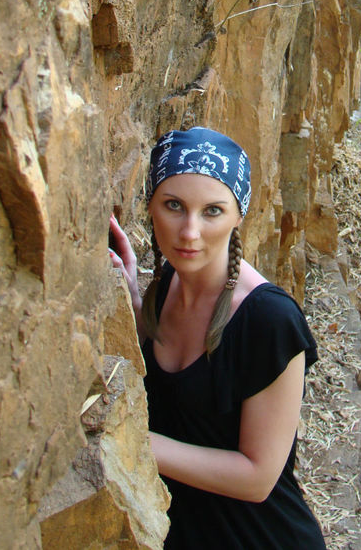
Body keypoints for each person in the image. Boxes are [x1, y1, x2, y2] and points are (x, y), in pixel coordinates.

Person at [108, 126, 326, 550]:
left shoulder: (269, 320)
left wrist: (134, 439)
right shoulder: (167, 283)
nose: (190, 231)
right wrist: (134, 305)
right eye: (174, 205)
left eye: (212, 211)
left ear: (238, 214)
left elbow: (258, 477)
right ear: (150, 205)